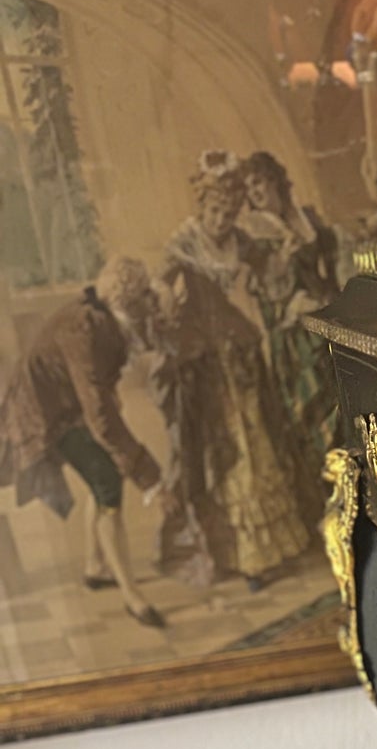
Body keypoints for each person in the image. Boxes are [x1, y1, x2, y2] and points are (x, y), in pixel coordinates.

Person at [153, 150, 312, 591]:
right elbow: (161, 284)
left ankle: (265, 554)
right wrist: (166, 301)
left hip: (241, 354)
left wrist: (287, 253)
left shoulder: (241, 241)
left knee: (256, 437)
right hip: (203, 364)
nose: (222, 219)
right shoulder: (183, 244)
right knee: (220, 450)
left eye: (229, 210)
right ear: (201, 206)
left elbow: (273, 273)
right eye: (215, 210)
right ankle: (229, 554)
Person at [0, 256, 165, 628]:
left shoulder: (108, 318)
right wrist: (149, 475)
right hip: (46, 415)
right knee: (108, 481)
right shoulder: (84, 328)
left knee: (105, 478)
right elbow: (100, 415)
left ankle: (95, 564)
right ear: (126, 300)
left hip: (68, 404)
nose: (149, 301)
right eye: (143, 296)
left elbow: (100, 387)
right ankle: (132, 596)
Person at [238, 151, 341, 503]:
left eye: (258, 182)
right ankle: (327, 495)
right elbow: (267, 290)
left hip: (326, 324)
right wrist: (284, 270)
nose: (254, 192)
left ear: (276, 180)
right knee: (310, 412)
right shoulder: (256, 234)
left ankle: (350, 486)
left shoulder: (307, 217)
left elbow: (328, 264)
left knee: (341, 405)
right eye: (248, 188)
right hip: (295, 337)